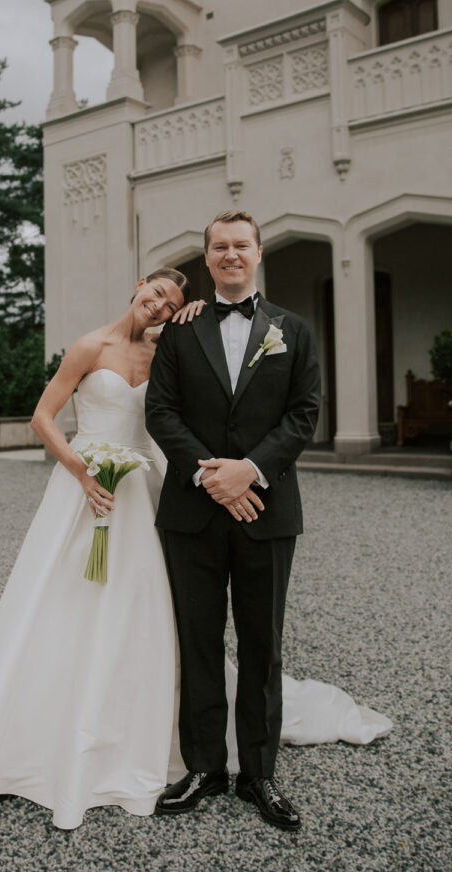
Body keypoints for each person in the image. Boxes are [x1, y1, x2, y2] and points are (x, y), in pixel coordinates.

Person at [0, 261, 391, 831]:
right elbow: (43, 417)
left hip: (145, 491)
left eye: (171, 303)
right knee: (63, 604)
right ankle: (41, 735)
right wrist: (82, 472)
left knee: (150, 611)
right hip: (85, 489)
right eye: (156, 293)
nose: (160, 306)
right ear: (138, 286)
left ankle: (166, 740)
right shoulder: (89, 346)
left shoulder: (169, 345)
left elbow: (181, 405)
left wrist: (190, 317)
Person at [146, 210, 320, 830]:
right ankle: (204, 768)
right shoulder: (179, 331)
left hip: (267, 511)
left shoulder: (293, 330)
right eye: (219, 246)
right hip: (192, 513)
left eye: (240, 245)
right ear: (207, 258)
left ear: (258, 252)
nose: (230, 255)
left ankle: (259, 774)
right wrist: (210, 477)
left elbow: (304, 414)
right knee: (197, 640)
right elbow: (161, 412)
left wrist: (249, 470)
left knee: (262, 644)